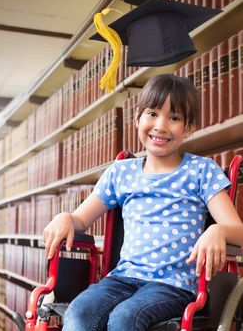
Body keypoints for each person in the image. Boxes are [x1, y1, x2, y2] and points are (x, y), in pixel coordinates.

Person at [44, 74, 243, 331]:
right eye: (152, 113)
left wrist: (217, 229)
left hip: (175, 284)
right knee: (79, 312)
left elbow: (238, 231)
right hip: (122, 278)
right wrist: (64, 217)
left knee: (124, 317)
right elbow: (80, 219)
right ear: (137, 118)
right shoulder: (121, 172)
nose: (161, 125)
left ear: (189, 127)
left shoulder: (201, 171)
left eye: (174, 118)